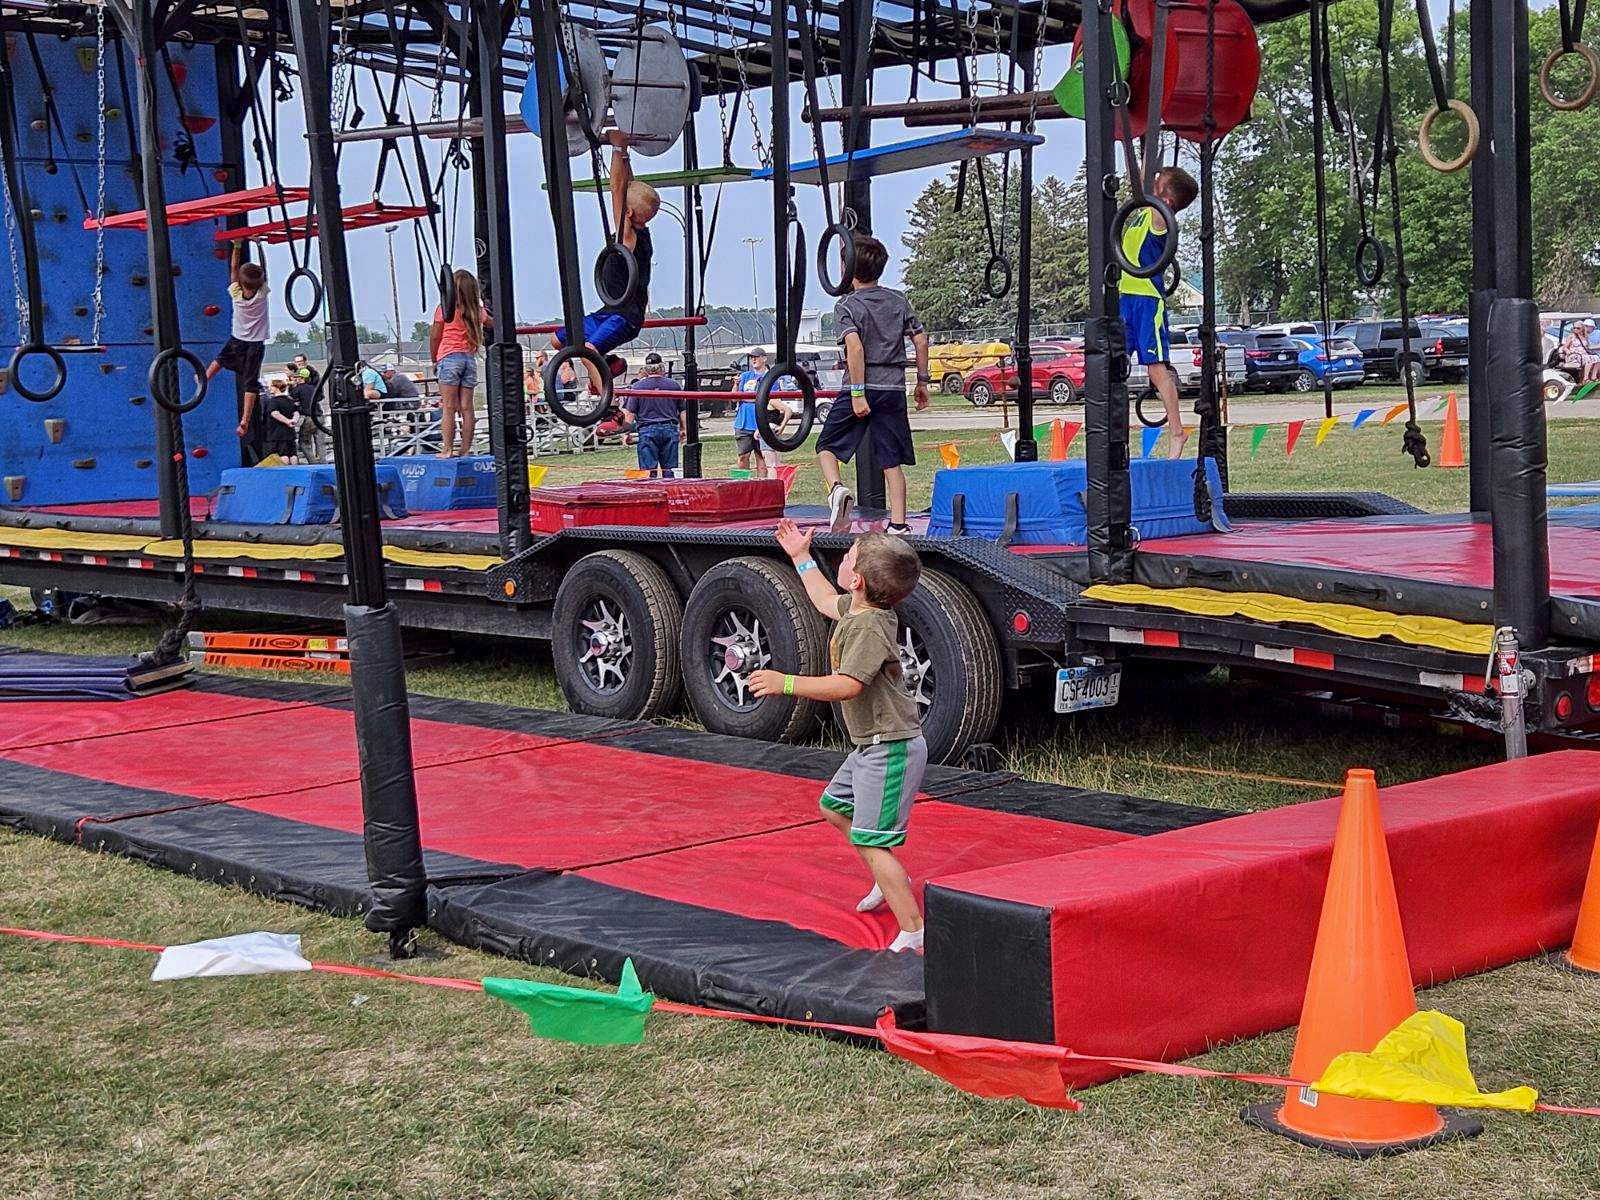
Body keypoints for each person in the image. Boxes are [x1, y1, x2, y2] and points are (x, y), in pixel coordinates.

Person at [749, 519, 928, 953]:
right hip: (870, 745)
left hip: (891, 747)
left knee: (872, 839)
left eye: (846, 559)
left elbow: (847, 685)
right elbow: (826, 599)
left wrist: (785, 683)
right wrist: (799, 556)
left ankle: (914, 927)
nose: (842, 561)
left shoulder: (869, 628)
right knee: (833, 807)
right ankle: (886, 874)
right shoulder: (859, 609)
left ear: (859, 580)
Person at [815, 235, 930, 534]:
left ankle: (837, 489)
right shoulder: (898, 299)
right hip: (892, 388)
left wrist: (857, 392)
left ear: (848, 268)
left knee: (826, 446)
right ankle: (900, 524)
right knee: (891, 461)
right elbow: (920, 339)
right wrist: (922, 381)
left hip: (862, 386)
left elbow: (855, 349)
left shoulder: (846, 305)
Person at [549, 135, 659, 394]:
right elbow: (630, 185)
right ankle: (609, 364)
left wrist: (617, 145)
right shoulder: (638, 230)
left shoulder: (628, 236)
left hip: (625, 317)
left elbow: (618, 188)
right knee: (558, 340)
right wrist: (624, 155)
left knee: (588, 350)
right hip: (609, 310)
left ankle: (609, 407)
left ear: (628, 214)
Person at [1118, 165, 1199, 459]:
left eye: (1157, 182)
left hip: (1146, 301)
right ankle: (1116, 433)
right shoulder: (1141, 210)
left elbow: (1148, 184)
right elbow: (1137, 177)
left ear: (1165, 198)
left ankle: (1177, 432)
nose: (1150, 182)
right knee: (1114, 364)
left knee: (1155, 369)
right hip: (1124, 297)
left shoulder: (1158, 218)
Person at [205, 241, 269, 458]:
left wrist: (237, 246)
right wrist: (259, 246)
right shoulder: (261, 295)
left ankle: (203, 379)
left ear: (241, 283)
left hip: (237, 338)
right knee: (250, 382)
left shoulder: (235, 293)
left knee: (221, 359)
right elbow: (263, 272)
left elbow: (233, 269)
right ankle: (245, 420)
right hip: (255, 344)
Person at [430, 268, 492, 457]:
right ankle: (465, 449)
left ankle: (447, 449)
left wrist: (435, 359)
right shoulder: (476, 311)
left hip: (449, 357)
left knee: (448, 407)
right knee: (467, 407)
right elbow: (492, 322)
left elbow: (435, 337)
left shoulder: (444, 310)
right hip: (468, 359)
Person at [620, 352, 685, 478]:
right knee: (670, 471)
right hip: (670, 429)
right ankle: (670, 494)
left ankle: (652, 495)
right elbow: (682, 410)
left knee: (647, 473)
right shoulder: (674, 385)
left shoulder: (637, 387)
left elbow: (630, 414)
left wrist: (626, 433)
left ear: (646, 369)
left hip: (646, 430)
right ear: (662, 367)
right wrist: (684, 429)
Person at [260, 377, 301, 464]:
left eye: (271, 386)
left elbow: (274, 413)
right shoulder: (290, 400)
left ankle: (284, 473)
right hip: (290, 432)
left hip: (277, 432)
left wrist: (287, 421)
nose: (269, 388)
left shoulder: (273, 401)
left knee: (282, 454)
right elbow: (296, 412)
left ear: (276, 387)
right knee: (292, 453)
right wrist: (293, 421)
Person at [289, 365, 322, 463]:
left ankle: (314, 463)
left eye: (297, 377)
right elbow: (320, 397)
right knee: (320, 444)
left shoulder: (298, 389)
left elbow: (291, 401)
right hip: (320, 416)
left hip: (309, 418)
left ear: (302, 378)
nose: (295, 379)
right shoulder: (313, 388)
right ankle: (323, 463)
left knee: (304, 443)